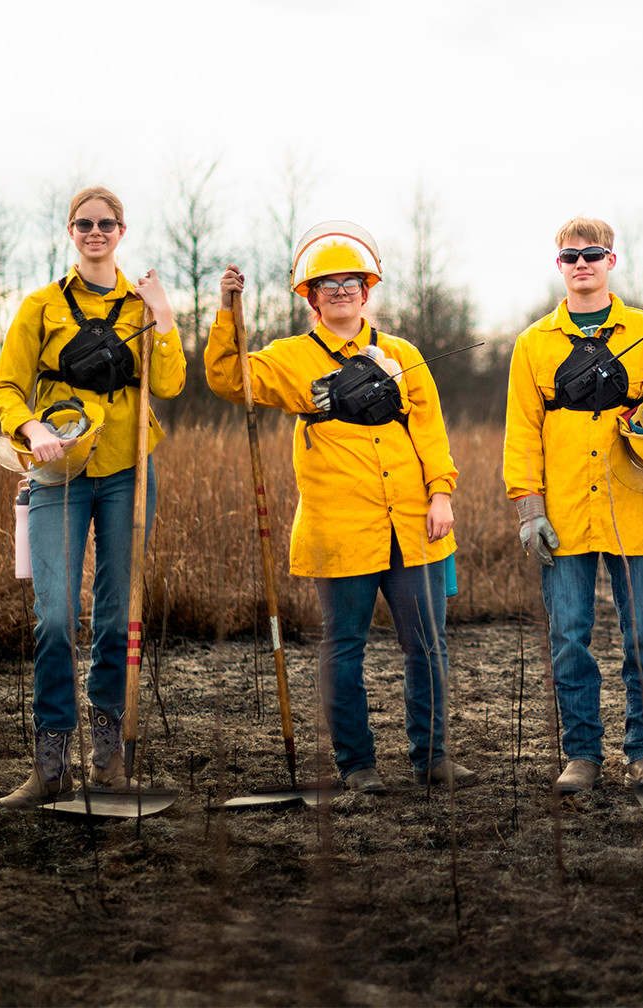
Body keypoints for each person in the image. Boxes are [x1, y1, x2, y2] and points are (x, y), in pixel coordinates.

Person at [205, 221, 474, 794]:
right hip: (339, 525)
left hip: (414, 521)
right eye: (327, 283)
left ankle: (432, 758)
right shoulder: (290, 358)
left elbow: (429, 430)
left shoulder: (402, 353)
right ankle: (358, 766)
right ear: (310, 296)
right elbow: (231, 379)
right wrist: (228, 310)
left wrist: (442, 493)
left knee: (427, 644)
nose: (341, 290)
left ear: (368, 288)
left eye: (351, 280)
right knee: (343, 646)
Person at [503, 216, 643, 793]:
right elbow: (522, 433)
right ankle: (581, 755)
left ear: (611, 261)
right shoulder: (533, 344)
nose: (583, 263)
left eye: (593, 254)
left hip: (639, 508)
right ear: (559, 265)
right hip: (565, 515)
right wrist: (530, 509)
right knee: (570, 637)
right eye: (571, 255)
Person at [0, 186, 184, 808]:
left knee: (114, 618)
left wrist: (165, 316)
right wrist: (32, 427)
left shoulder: (142, 303)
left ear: (122, 231)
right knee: (52, 616)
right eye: (84, 224)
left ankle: (108, 760)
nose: (95, 232)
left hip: (129, 469)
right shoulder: (41, 306)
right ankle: (50, 766)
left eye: (106, 223)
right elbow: (6, 387)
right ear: (70, 231)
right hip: (57, 474)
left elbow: (173, 383)